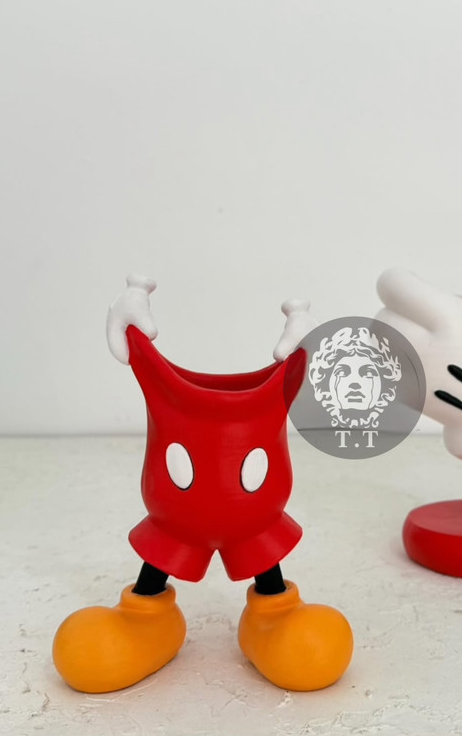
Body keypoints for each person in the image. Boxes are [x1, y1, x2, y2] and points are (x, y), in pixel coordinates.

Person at [52, 275, 353, 693]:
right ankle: (145, 619)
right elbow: (138, 351)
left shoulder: (282, 388)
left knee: (308, 650)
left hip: (256, 521)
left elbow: (298, 365)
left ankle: (274, 614)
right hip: (174, 520)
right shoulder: (161, 389)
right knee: (92, 650)